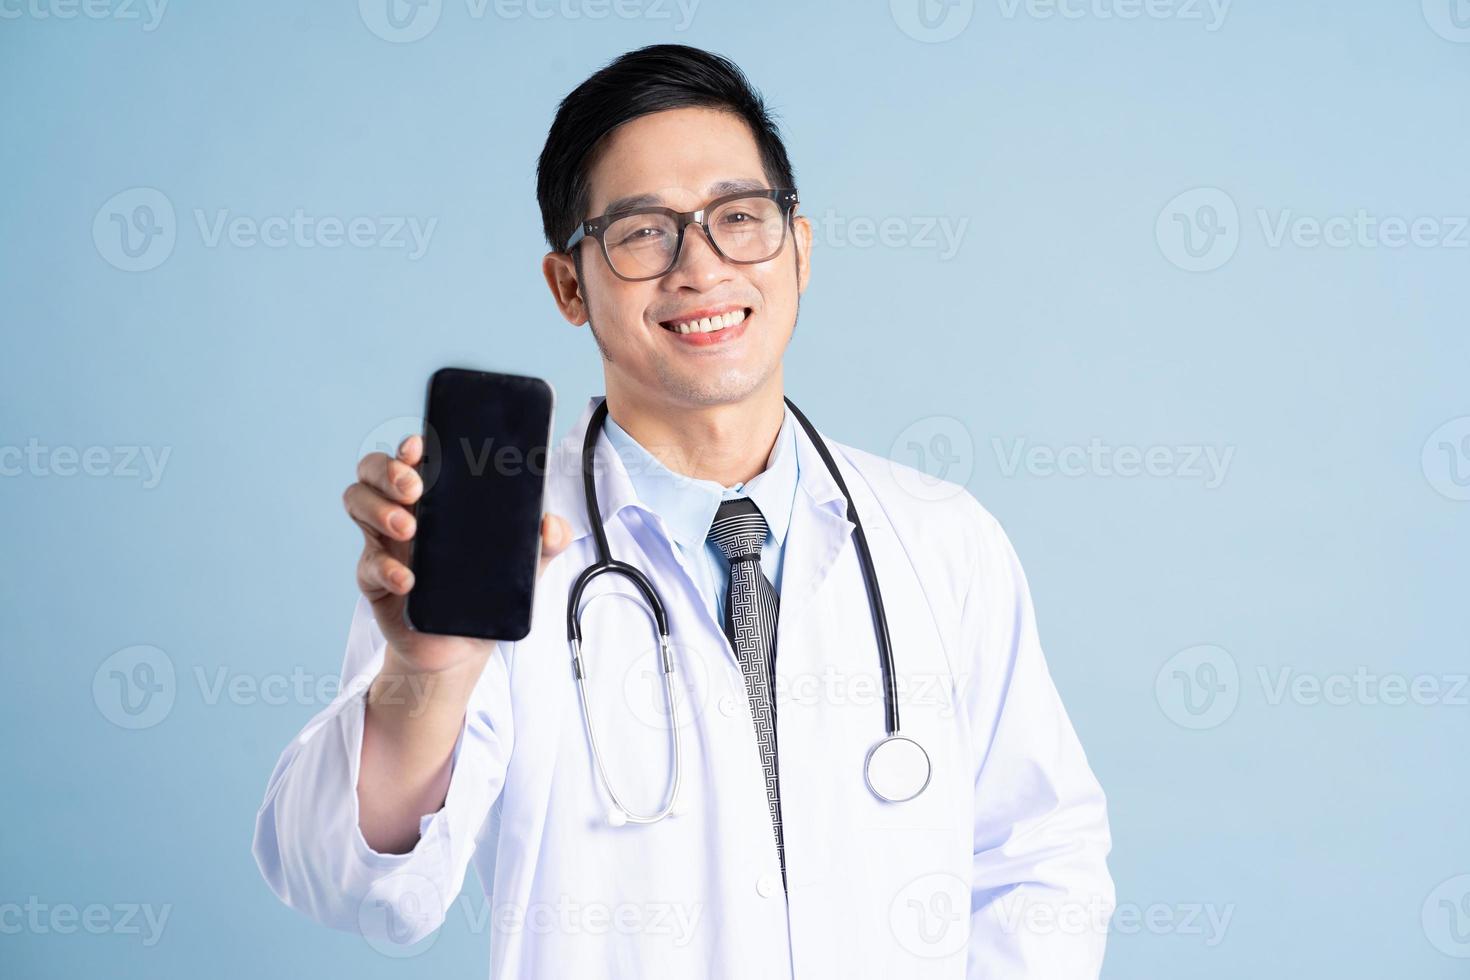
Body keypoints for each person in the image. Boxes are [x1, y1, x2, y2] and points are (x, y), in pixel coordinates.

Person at [252, 43, 1114, 978]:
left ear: (800, 250)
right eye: (642, 232)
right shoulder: (493, 551)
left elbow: (1041, 861)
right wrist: (427, 672)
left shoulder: (943, 540)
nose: (700, 268)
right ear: (569, 286)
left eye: (740, 218)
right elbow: (348, 882)